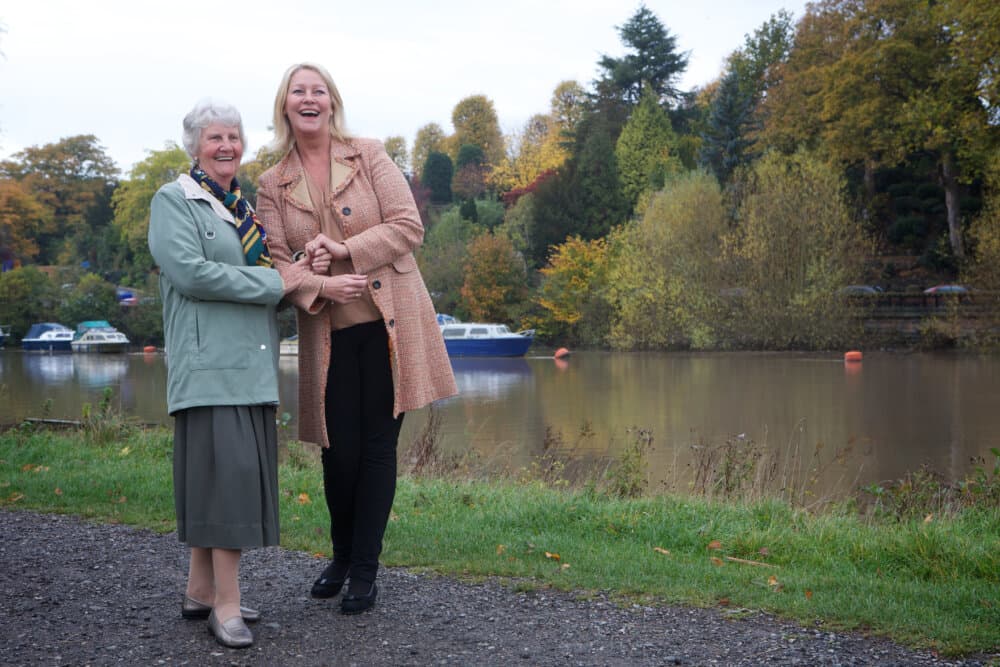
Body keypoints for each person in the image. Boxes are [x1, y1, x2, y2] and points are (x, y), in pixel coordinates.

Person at [256, 62, 457, 614]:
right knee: (336, 454)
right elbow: (277, 265)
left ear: (332, 102)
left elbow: (408, 227)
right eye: (299, 92)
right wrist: (321, 278)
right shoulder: (271, 184)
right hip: (329, 339)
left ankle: (365, 569)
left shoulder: (368, 153)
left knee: (375, 452)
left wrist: (346, 251)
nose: (309, 99)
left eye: (318, 91)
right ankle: (341, 556)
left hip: (392, 331)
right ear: (285, 106)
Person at [148, 99, 311, 648]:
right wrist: (277, 284)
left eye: (234, 138)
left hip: (250, 366)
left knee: (216, 479)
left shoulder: (241, 209)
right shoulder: (174, 201)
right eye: (215, 138)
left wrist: (301, 277)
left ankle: (199, 590)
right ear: (194, 145)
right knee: (230, 484)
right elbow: (193, 275)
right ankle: (227, 606)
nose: (226, 147)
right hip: (209, 368)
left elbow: (268, 277)